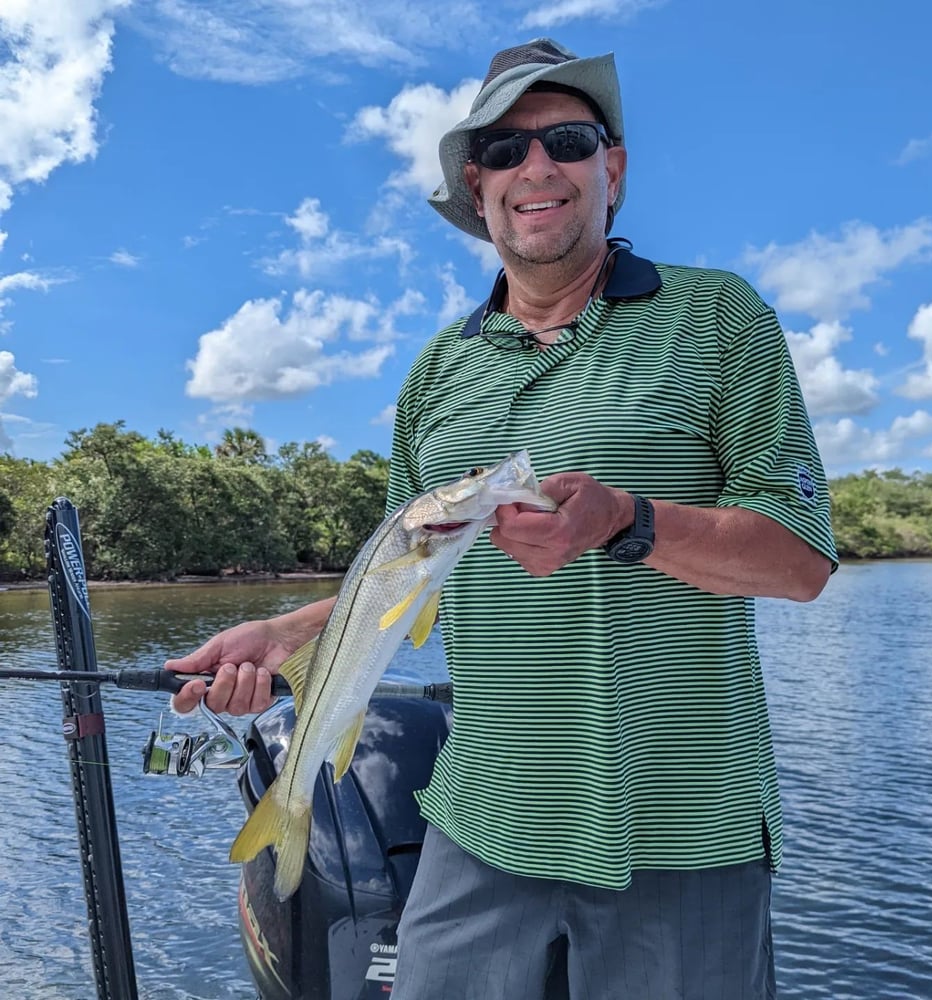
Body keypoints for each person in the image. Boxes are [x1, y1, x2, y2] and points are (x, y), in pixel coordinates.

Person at [169, 38, 838, 999]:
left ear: (611, 168)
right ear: (477, 192)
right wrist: (283, 637)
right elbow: (403, 576)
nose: (537, 167)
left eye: (566, 139)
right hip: (478, 829)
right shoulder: (437, 374)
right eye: (503, 150)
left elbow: (802, 559)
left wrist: (626, 521)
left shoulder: (717, 318)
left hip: (684, 833)